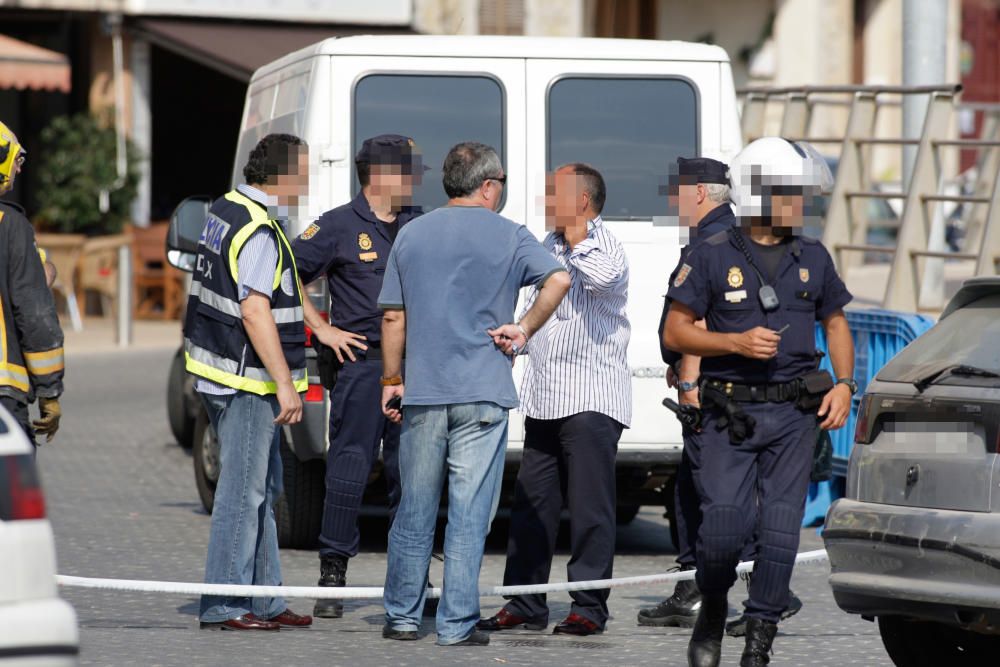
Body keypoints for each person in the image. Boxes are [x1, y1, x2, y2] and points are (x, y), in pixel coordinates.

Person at [663, 138, 855, 667]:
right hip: (730, 414)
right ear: (759, 193)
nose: (802, 205)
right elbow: (676, 331)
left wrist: (844, 384)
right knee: (722, 529)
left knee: (778, 534)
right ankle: (713, 608)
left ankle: (759, 641)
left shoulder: (813, 256)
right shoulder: (710, 254)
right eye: (792, 194)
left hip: (795, 416)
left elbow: (836, 323)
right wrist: (734, 343)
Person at [378, 142, 570, 646]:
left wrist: (391, 380)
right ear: (487, 186)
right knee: (469, 514)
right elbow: (559, 277)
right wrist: (523, 327)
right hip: (483, 394)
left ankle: (401, 616)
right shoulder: (510, 235)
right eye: (501, 182)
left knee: (414, 509)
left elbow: (393, 317)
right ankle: (457, 623)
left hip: (423, 393)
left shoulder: (411, 234)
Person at [642, 158, 802, 635]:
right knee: (695, 491)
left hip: (717, 390)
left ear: (696, 193)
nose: (672, 203)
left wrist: (689, 377)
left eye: (676, 193)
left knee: (718, 493)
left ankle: (765, 592)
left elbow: (706, 316)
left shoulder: (714, 240)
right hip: (726, 385)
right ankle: (697, 586)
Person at [477, 163, 629, 637]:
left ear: (582, 201)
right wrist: (518, 334)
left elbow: (602, 280)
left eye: (554, 192)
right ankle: (524, 603)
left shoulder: (606, 247)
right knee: (531, 507)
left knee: (590, 511)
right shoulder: (549, 245)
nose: (544, 200)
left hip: (590, 398)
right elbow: (537, 303)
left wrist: (572, 243)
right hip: (544, 398)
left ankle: (588, 606)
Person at [292, 134, 426, 619]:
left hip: (416, 369)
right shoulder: (336, 227)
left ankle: (413, 577)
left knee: (411, 472)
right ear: (381, 175)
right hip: (362, 367)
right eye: (408, 171)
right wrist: (323, 329)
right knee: (350, 466)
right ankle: (333, 573)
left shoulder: (419, 223)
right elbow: (285, 277)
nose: (414, 180)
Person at [186, 133, 313, 631]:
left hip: (218, 371)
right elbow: (255, 309)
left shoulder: (226, 208)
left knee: (263, 488)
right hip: (248, 381)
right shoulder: (258, 229)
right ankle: (224, 603)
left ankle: (262, 599)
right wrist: (284, 383)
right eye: (301, 171)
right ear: (283, 175)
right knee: (243, 494)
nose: (304, 181)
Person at [0, 120, 64, 447]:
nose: (19, 170)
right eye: (16, 161)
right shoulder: (10, 226)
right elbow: (34, 313)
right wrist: (50, 392)